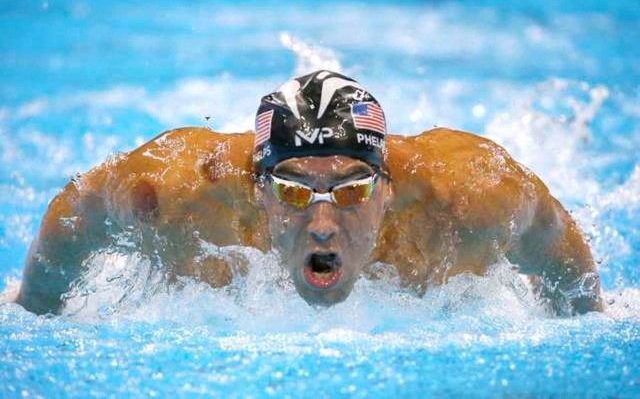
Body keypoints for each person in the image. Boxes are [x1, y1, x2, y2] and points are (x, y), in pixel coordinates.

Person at [15, 70, 603, 315]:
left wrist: (584, 317)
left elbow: (553, 242)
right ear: (257, 189)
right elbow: (80, 209)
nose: (323, 223)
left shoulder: (472, 200)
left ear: (389, 190)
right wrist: (33, 307)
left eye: (352, 190)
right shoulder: (173, 196)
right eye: (294, 191)